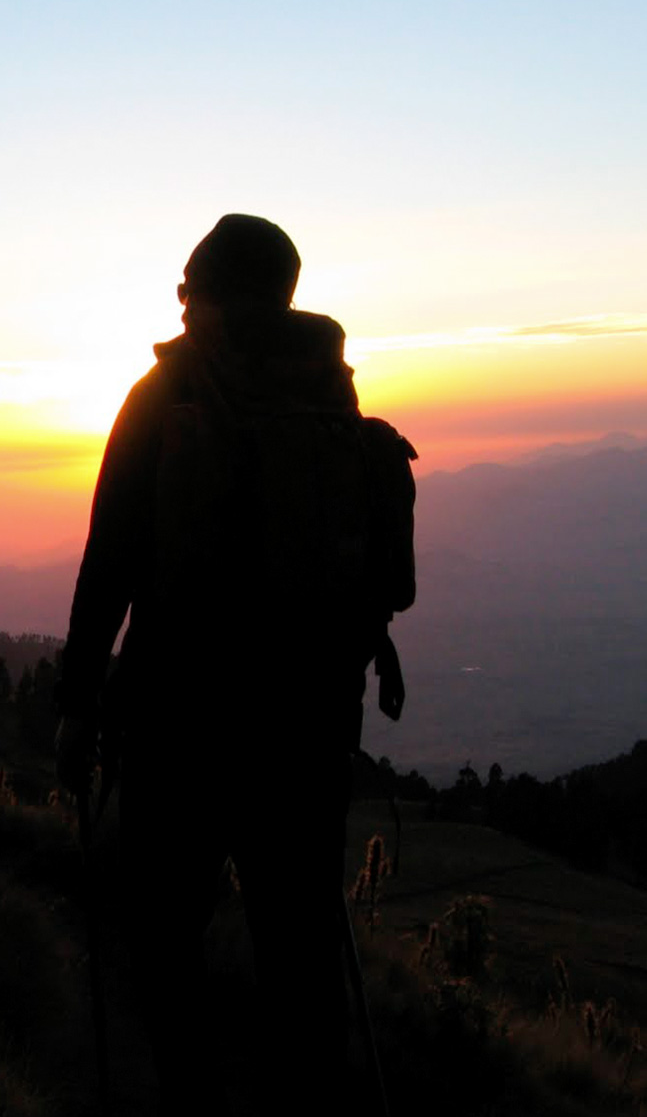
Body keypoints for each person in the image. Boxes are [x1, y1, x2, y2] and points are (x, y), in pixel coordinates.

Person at [56, 214, 404, 1112]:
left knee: (165, 938)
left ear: (200, 291)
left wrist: (76, 707)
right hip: (309, 722)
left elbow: (111, 564)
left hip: (183, 718)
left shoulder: (163, 397)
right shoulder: (331, 398)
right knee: (299, 949)